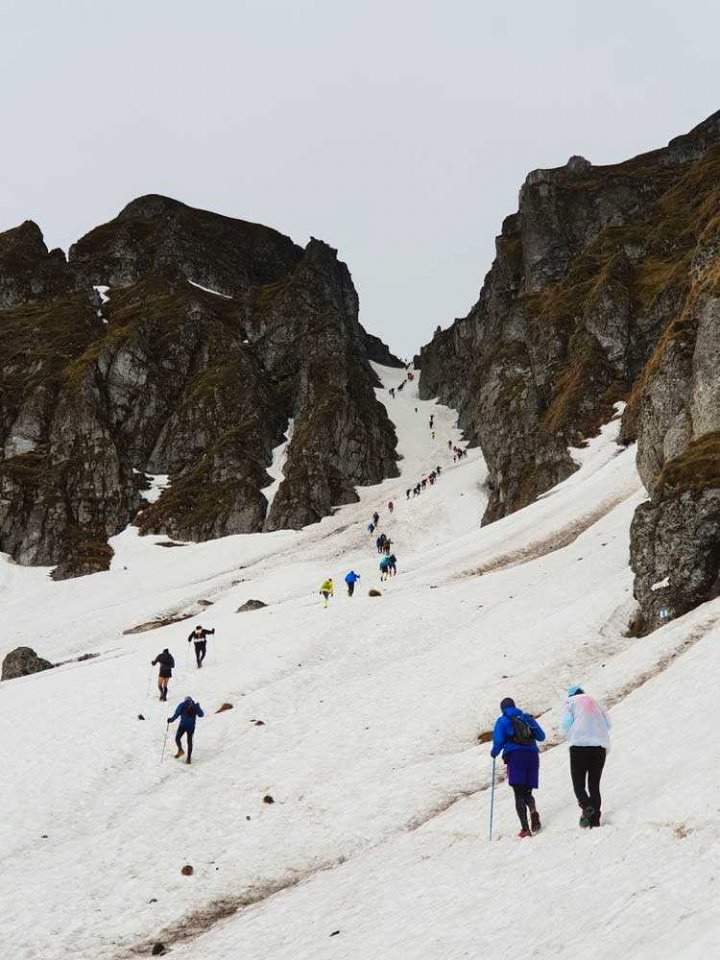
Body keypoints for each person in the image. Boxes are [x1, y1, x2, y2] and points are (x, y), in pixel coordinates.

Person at [490, 697, 546, 837]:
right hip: (532, 756)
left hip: (516, 757)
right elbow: (541, 736)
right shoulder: (526, 718)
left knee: (518, 793)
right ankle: (533, 811)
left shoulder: (503, 721)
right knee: (527, 791)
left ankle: (525, 829)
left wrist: (494, 753)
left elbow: (498, 741)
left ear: (503, 709)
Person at [561, 685, 611, 828]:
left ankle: (587, 806)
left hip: (579, 746)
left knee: (579, 784)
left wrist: (572, 734)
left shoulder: (570, 702)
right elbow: (609, 724)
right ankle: (595, 821)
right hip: (600, 746)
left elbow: (565, 724)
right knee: (594, 785)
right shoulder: (595, 702)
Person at [168, 696, 204, 764]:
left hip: (183, 725)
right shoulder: (195, 706)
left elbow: (177, 714)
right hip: (191, 726)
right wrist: (198, 706)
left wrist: (171, 720)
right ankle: (188, 758)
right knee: (189, 741)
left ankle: (180, 750)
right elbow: (201, 715)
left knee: (177, 738)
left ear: (185, 700)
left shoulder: (182, 704)